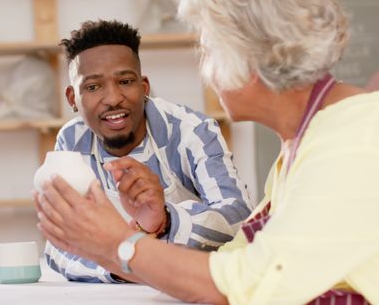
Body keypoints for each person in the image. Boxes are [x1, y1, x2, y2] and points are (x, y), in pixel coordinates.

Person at [34, 0, 379, 304]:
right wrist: (120, 245)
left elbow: (242, 285)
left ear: (250, 60)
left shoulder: (355, 147)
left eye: (208, 49)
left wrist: (117, 243)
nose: (206, 71)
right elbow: (226, 264)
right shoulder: (307, 142)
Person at [44, 20, 253, 283]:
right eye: (93, 87)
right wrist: (120, 268)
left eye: (125, 81)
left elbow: (240, 219)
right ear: (73, 98)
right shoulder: (71, 142)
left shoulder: (192, 131)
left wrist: (165, 220)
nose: (113, 98)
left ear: (144, 88)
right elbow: (59, 242)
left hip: (190, 285)